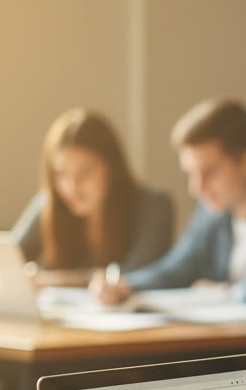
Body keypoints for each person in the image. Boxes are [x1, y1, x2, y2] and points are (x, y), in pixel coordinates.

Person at [90, 98, 246, 318]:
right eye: (191, 174)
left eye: (209, 173)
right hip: (238, 354)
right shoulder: (214, 210)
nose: (196, 189)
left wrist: (228, 292)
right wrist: (125, 285)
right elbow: (177, 269)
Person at [12, 109, 172, 286]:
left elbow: (135, 274)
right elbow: (9, 258)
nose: (72, 187)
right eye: (61, 174)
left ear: (112, 168)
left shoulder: (153, 206)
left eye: (84, 172)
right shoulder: (49, 204)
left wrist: (50, 280)